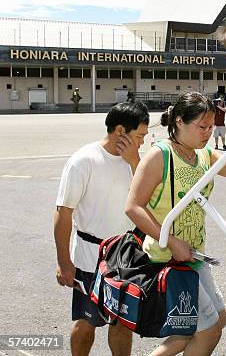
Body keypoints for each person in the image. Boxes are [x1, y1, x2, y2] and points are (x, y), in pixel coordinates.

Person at [124, 92, 226, 356]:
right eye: (202, 127)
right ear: (180, 122)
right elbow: (133, 207)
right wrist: (171, 241)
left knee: (215, 320)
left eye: (210, 126)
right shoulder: (160, 155)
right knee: (207, 330)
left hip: (193, 256)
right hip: (167, 259)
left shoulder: (205, 155)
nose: (207, 133)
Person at [54, 101, 150, 356]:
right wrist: (64, 262)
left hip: (126, 258)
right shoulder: (84, 161)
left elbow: (149, 202)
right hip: (89, 259)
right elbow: (64, 214)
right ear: (121, 131)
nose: (142, 142)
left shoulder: (138, 163)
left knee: (122, 325)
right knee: (86, 324)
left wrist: (134, 162)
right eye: (139, 135)